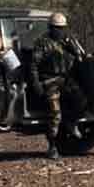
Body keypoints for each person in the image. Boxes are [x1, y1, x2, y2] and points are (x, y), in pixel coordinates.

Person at [28, 12, 85, 159]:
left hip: (65, 79)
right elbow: (33, 65)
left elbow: (79, 56)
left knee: (81, 100)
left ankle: (72, 123)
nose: (59, 31)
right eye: (56, 28)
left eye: (61, 28)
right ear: (50, 28)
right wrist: (36, 83)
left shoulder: (67, 40)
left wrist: (72, 46)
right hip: (49, 81)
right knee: (55, 114)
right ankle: (52, 146)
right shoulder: (43, 43)